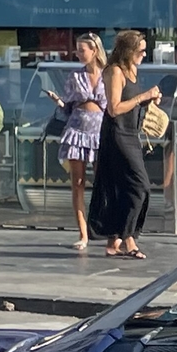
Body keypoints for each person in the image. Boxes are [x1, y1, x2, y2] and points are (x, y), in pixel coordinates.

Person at [88, 28, 164, 259]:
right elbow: (114, 108)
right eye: (140, 50)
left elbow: (131, 105)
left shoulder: (132, 70)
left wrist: (148, 99)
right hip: (117, 134)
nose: (143, 54)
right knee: (139, 186)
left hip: (131, 133)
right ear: (128, 50)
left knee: (124, 188)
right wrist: (142, 96)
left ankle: (116, 240)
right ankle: (128, 238)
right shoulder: (115, 71)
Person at [43, 32, 107, 250]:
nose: (79, 54)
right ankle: (83, 233)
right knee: (77, 184)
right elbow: (68, 108)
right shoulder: (74, 76)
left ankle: (104, 228)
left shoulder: (108, 75)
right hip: (77, 130)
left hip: (99, 132)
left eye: (82, 50)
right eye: (77, 50)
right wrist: (59, 102)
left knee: (103, 183)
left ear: (94, 50)